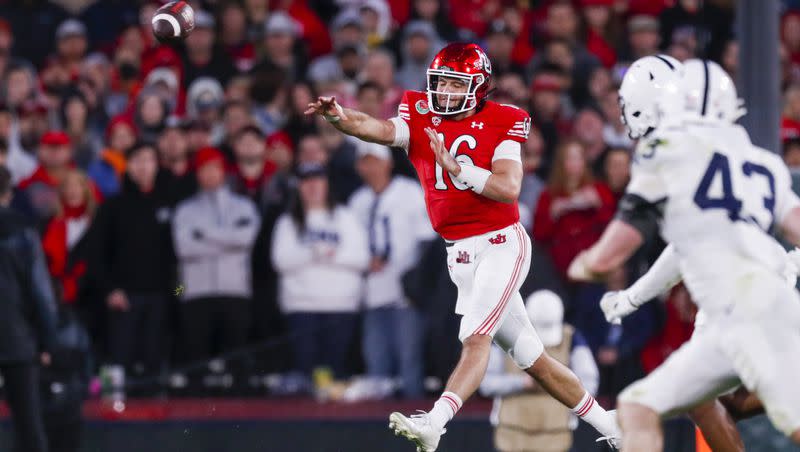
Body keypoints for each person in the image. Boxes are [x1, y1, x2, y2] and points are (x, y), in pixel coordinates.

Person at [305, 43, 620, 452]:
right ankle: (609, 423)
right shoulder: (420, 113)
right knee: (533, 360)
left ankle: (435, 422)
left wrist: (461, 170)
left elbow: (508, 187)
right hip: (459, 253)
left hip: (500, 244)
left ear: (478, 88)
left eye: (456, 84)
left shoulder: (505, 120)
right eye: (441, 83)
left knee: (475, 339)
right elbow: (380, 130)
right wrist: (342, 119)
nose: (445, 93)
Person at [568, 57, 800, 450]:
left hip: (737, 299)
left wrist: (593, 265)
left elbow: (618, 250)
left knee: (689, 401)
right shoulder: (761, 161)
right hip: (763, 293)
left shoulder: (666, 151)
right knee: (712, 401)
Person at [346, 141, 435, 400]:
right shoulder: (357, 201)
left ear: (388, 162)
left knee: (410, 362)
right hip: (372, 293)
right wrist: (365, 261)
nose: (370, 167)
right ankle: (377, 432)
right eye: (365, 161)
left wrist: (416, 284)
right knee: (376, 364)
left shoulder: (409, 193)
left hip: (404, 295)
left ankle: (416, 427)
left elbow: (426, 243)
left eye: (375, 160)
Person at [271, 163, 369, 383]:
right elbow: (280, 260)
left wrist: (330, 255)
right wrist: (312, 254)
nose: (313, 186)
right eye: (307, 181)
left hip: (341, 307)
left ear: (327, 185)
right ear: (299, 187)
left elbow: (362, 258)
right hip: (301, 307)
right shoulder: (288, 222)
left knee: (336, 375)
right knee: (306, 375)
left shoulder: (346, 217)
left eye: (318, 180)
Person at [89, 143, 175, 386]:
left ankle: (158, 414)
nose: (143, 166)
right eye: (137, 160)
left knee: (154, 361)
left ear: (157, 165)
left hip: (160, 297)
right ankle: (110, 413)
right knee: (116, 359)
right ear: (128, 166)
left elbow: (178, 261)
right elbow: (96, 254)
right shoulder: (112, 207)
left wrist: (177, 293)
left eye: (149, 160)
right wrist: (109, 290)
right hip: (123, 298)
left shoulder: (170, 202)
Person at [172, 147, 260, 375]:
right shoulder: (185, 210)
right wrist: (228, 239)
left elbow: (247, 239)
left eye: (214, 167)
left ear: (223, 171)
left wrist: (204, 234)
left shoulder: (243, 206)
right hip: (195, 291)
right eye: (204, 168)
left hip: (235, 291)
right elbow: (184, 249)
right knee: (197, 362)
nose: (210, 174)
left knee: (237, 359)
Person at [479, 290, 599, 452]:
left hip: (557, 438)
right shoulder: (504, 335)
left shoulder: (573, 338)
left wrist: (556, 383)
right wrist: (522, 383)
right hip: (511, 437)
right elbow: (486, 383)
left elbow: (589, 385)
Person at [0, 164, 58, 452]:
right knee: (29, 427)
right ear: (8, 193)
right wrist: (48, 339)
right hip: (18, 339)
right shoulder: (24, 232)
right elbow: (40, 293)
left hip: (17, 336)